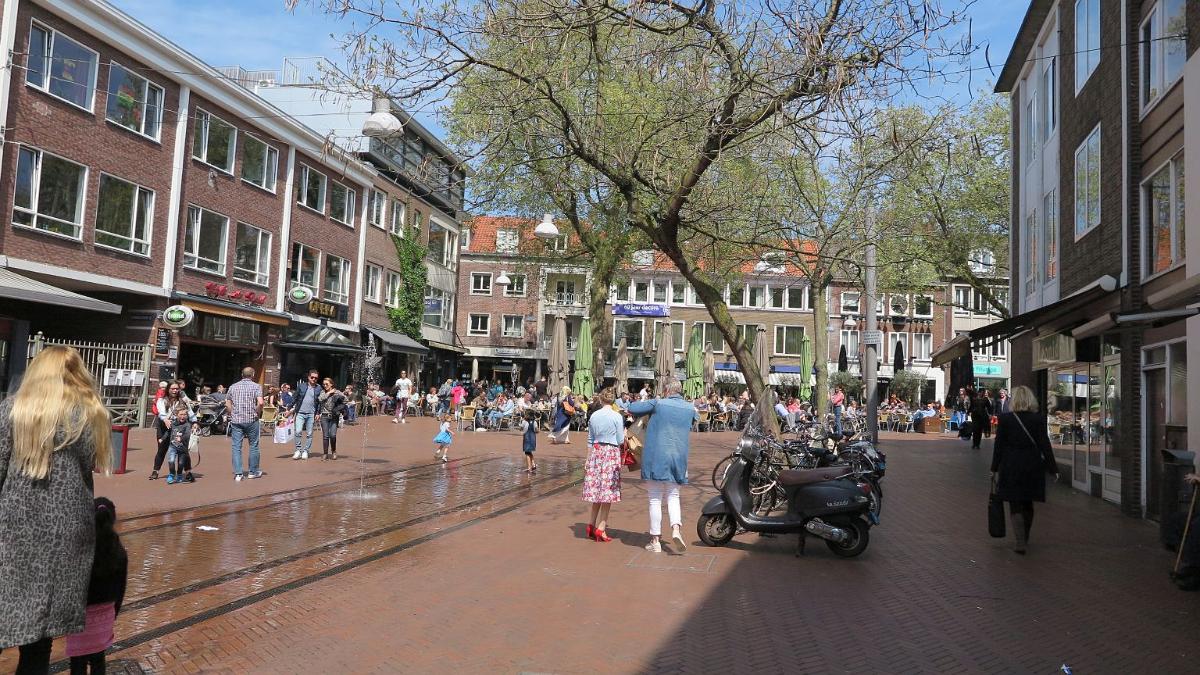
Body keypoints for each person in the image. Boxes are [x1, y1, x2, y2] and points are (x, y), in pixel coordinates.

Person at [0, 346, 112, 673]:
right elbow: (90, 464)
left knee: (7, 607)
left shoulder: (13, 410)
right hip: (69, 531)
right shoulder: (92, 414)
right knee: (42, 633)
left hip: (15, 526)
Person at [628, 381, 696, 554]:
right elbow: (694, 421)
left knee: (655, 498)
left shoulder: (658, 403)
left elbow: (632, 408)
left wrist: (651, 400)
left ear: (666, 390)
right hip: (679, 456)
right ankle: (676, 528)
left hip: (656, 455)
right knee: (673, 496)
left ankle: (655, 540)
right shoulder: (690, 408)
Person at [991, 385, 1059, 554]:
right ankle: (1025, 536)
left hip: (1011, 465)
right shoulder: (1038, 419)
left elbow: (999, 446)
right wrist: (1053, 468)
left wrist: (994, 468)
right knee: (1028, 502)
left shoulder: (1005, 419)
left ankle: (1020, 541)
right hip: (1032, 465)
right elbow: (1044, 444)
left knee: (1015, 503)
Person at [66, 497, 127, 675]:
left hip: (80, 618)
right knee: (99, 661)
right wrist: (114, 613)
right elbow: (121, 589)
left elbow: (70, 586)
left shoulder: (79, 549)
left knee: (77, 663)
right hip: (105, 617)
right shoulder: (119, 551)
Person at [583, 388, 624, 542]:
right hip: (610, 453)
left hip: (596, 451)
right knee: (607, 492)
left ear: (600, 400)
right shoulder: (617, 416)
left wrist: (588, 459)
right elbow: (620, 440)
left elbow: (590, 439)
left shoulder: (594, 416)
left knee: (597, 490)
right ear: (613, 401)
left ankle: (591, 524)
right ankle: (601, 527)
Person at [227, 367, 265, 481]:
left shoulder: (233, 386)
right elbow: (261, 402)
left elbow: (227, 403)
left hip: (237, 420)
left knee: (236, 447)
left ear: (241, 374)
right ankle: (253, 472)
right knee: (253, 445)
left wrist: (231, 413)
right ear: (253, 374)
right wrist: (257, 412)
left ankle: (238, 474)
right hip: (251, 420)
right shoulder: (256, 386)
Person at [151, 381, 192, 480]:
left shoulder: (182, 400)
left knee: (183, 450)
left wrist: (194, 422)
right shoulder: (162, 400)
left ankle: (187, 472)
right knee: (162, 449)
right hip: (164, 427)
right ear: (168, 389)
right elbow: (161, 412)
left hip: (179, 427)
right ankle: (155, 471)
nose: (175, 390)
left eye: (176, 389)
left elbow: (190, 411)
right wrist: (165, 419)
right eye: (172, 389)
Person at [291, 370, 320, 461]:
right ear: (308, 377)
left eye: (316, 378)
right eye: (312, 377)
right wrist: (289, 408)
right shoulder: (302, 386)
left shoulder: (319, 388)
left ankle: (306, 451)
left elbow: (319, 402)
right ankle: (298, 450)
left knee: (309, 434)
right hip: (300, 413)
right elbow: (295, 397)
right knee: (298, 431)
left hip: (311, 414)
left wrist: (318, 413)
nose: (314, 379)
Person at [165, 406, 197, 484]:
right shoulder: (173, 423)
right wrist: (162, 439)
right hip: (172, 446)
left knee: (181, 463)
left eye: (185, 414)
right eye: (181, 414)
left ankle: (179, 475)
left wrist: (181, 438)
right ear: (176, 415)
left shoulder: (187, 425)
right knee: (171, 461)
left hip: (183, 447)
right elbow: (168, 432)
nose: (183, 416)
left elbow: (188, 435)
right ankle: (172, 474)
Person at [318, 378, 347, 461]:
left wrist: (339, 405)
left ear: (331, 384)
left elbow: (346, 400)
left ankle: (333, 451)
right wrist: (329, 393)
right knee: (325, 436)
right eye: (324, 384)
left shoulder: (337, 392)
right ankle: (325, 454)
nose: (325, 385)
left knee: (333, 435)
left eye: (326, 384)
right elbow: (320, 399)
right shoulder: (323, 392)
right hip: (324, 416)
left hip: (334, 416)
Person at [970, 385, 989, 449]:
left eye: (983, 393)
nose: (983, 394)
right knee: (975, 430)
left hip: (981, 416)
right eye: (982, 392)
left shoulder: (985, 399)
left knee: (979, 431)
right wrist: (969, 412)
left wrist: (990, 413)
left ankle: (977, 444)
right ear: (979, 392)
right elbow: (971, 406)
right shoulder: (974, 399)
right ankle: (974, 444)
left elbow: (989, 407)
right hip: (975, 416)